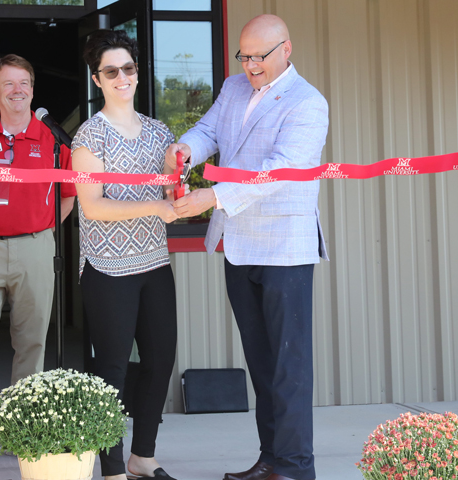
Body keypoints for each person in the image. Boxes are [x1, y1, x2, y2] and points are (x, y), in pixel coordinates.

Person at [167, 14, 329, 480]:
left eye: (260, 56)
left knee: (288, 367)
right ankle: (271, 460)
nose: (251, 65)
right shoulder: (234, 87)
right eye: (245, 56)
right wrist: (184, 149)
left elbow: (279, 170)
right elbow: (209, 132)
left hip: (285, 249)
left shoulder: (307, 102)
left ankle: (297, 468)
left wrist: (212, 196)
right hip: (239, 246)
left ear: (287, 48)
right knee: (261, 363)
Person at [70, 30, 179, 480]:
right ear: (97, 79)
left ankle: (143, 458)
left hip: (154, 262)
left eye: (128, 69)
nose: (122, 78)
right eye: (111, 71)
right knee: (111, 367)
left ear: (137, 72)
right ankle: (112, 468)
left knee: (160, 360)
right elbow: (93, 205)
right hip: (106, 267)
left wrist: (177, 174)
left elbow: (173, 183)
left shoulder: (159, 132)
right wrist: (157, 204)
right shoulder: (88, 138)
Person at [0, 54, 76, 384]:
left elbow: (69, 195)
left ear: (33, 90)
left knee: (31, 341)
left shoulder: (53, 139)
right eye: (8, 83)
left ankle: (21, 430)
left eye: (24, 83)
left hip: (35, 248)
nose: (16, 90)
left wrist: (44, 231)